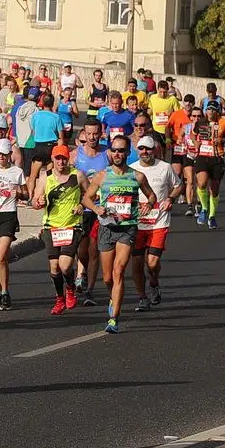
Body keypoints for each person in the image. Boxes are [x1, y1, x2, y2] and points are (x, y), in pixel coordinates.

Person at [85, 136, 157, 334]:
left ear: (127, 153)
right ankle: (113, 297)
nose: (117, 154)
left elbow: (152, 195)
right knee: (107, 277)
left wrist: (149, 205)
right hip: (107, 228)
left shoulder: (137, 176)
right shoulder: (102, 176)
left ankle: (114, 318)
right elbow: (87, 198)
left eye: (121, 150)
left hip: (128, 227)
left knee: (119, 271)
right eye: (114, 150)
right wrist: (96, 208)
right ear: (111, 152)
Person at [33, 144, 84, 315]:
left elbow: (92, 195)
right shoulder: (45, 177)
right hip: (51, 226)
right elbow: (35, 200)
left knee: (65, 265)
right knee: (54, 267)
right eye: (57, 158)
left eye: (64, 158)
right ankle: (60, 298)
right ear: (53, 160)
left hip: (72, 225)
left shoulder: (77, 176)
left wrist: (82, 205)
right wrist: (38, 202)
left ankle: (70, 288)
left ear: (68, 158)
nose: (61, 162)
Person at [130, 136, 179, 310]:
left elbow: (178, 185)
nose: (145, 152)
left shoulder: (165, 167)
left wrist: (170, 198)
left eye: (148, 149)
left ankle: (153, 282)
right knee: (136, 262)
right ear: (137, 150)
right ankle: (142, 297)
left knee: (151, 262)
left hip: (159, 221)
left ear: (155, 150)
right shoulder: (131, 169)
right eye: (141, 149)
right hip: (136, 223)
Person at [0, 139, 27, 310]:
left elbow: (26, 194)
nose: (1, 157)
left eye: (4, 154)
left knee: (1, 257)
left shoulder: (17, 171)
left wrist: (19, 194)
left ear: (10, 155)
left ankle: (6, 292)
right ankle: (0, 294)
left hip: (8, 215)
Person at [188, 101, 225, 229]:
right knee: (202, 183)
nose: (210, 112)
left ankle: (212, 216)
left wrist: (222, 140)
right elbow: (192, 135)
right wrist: (195, 143)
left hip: (217, 158)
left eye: (213, 110)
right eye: (208, 109)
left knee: (214, 189)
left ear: (217, 111)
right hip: (202, 156)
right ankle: (204, 209)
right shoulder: (200, 122)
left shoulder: (224, 123)